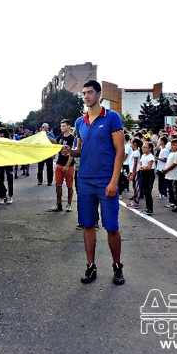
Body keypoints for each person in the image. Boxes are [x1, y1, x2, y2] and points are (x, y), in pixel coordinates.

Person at [63, 80, 125, 285]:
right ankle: (91, 266)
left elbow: (120, 152)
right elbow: (80, 149)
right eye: (83, 93)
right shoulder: (80, 122)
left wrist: (114, 181)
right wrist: (70, 152)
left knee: (111, 226)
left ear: (99, 94)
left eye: (90, 92)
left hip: (106, 181)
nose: (86, 96)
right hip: (85, 181)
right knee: (88, 225)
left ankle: (117, 266)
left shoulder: (112, 118)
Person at [48, 119, 75, 212]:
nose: (61, 128)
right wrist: (46, 136)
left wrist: (67, 165)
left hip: (69, 166)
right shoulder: (61, 136)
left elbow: (72, 153)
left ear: (68, 126)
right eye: (61, 126)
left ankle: (69, 204)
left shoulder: (72, 138)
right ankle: (58, 203)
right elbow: (55, 143)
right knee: (58, 185)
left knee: (69, 186)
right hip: (59, 164)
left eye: (63, 126)